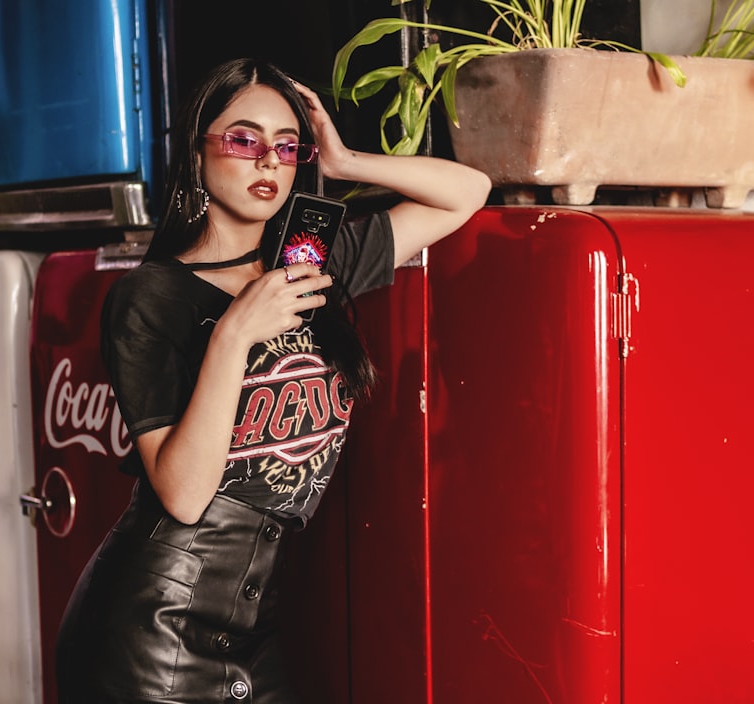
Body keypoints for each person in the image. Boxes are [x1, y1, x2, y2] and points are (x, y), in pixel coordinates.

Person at [56, 57, 492, 704]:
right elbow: (181, 494)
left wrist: (344, 162)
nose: (268, 162)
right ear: (199, 154)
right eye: (243, 140)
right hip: (148, 636)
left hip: (249, 629)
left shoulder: (308, 264)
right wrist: (234, 333)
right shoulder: (149, 297)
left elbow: (468, 191)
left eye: (287, 147)